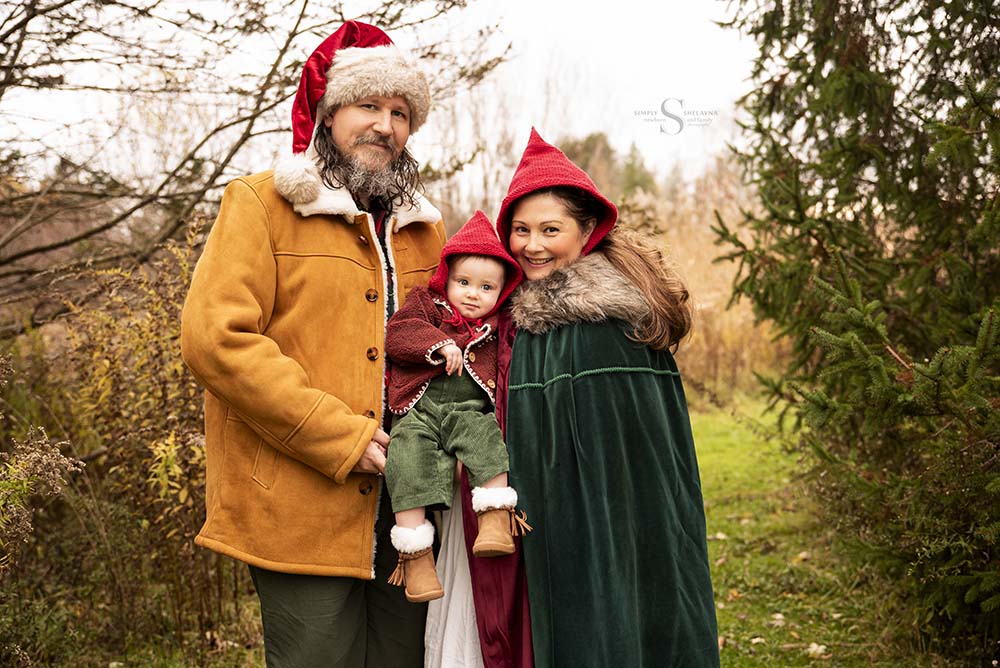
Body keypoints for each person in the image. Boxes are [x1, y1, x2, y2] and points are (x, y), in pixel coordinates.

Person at [179, 21, 446, 668]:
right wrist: (344, 437)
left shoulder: (427, 231)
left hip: (411, 510)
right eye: (369, 106)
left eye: (401, 112)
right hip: (299, 503)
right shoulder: (262, 204)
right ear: (328, 115)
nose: (385, 124)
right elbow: (216, 340)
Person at [445, 128, 721, 667]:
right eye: (520, 230)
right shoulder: (524, 320)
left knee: (613, 623)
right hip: (549, 525)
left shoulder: (602, 323)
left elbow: (624, 455)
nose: (533, 245)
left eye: (551, 229)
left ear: (588, 229)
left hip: (601, 527)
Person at [382, 211, 528, 604]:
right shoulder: (427, 306)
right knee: (404, 461)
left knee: (487, 441)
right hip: (419, 410)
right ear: (446, 278)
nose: (471, 294)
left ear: (501, 294)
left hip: (467, 409)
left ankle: (495, 521)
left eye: (486, 287)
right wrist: (438, 344)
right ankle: (416, 559)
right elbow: (398, 334)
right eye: (463, 282)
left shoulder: (497, 326)